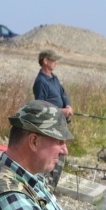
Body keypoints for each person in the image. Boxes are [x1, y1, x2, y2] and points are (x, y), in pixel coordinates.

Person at [33, 50, 73, 187]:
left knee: (61, 156)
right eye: (53, 60)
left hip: (61, 125)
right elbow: (40, 107)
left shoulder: (54, 78)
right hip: (51, 126)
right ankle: (46, 186)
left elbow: (63, 94)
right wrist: (60, 111)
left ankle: (52, 186)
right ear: (45, 61)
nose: (56, 62)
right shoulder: (40, 82)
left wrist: (68, 105)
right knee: (52, 155)